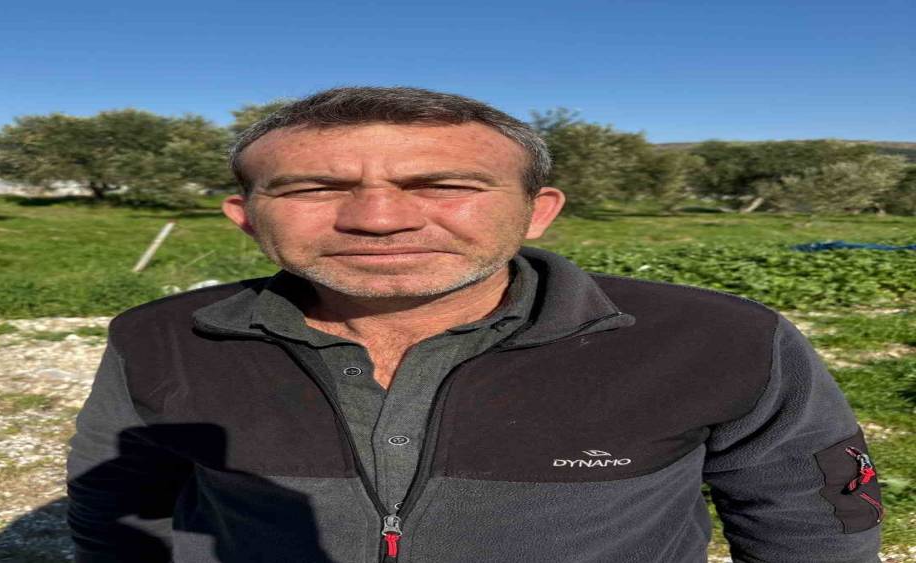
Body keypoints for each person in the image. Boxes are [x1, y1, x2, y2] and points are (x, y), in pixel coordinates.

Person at [66, 86, 883, 563]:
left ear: (538, 211)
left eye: (444, 184)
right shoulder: (161, 335)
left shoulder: (717, 339)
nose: (379, 219)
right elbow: (119, 510)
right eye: (314, 188)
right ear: (247, 216)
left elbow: (814, 525)